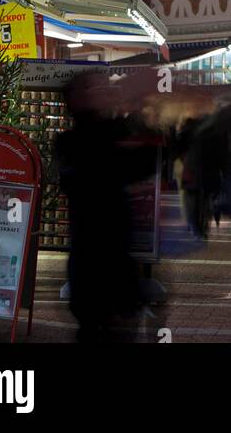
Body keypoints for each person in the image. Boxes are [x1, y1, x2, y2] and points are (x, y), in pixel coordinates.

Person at [56, 72, 156, 343]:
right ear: (79, 100)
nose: (103, 92)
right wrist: (131, 106)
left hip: (97, 265)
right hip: (104, 265)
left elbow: (143, 160)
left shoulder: (75, 142)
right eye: (94, 89)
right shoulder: (81, 142)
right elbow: (142, 162)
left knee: (97, 329)